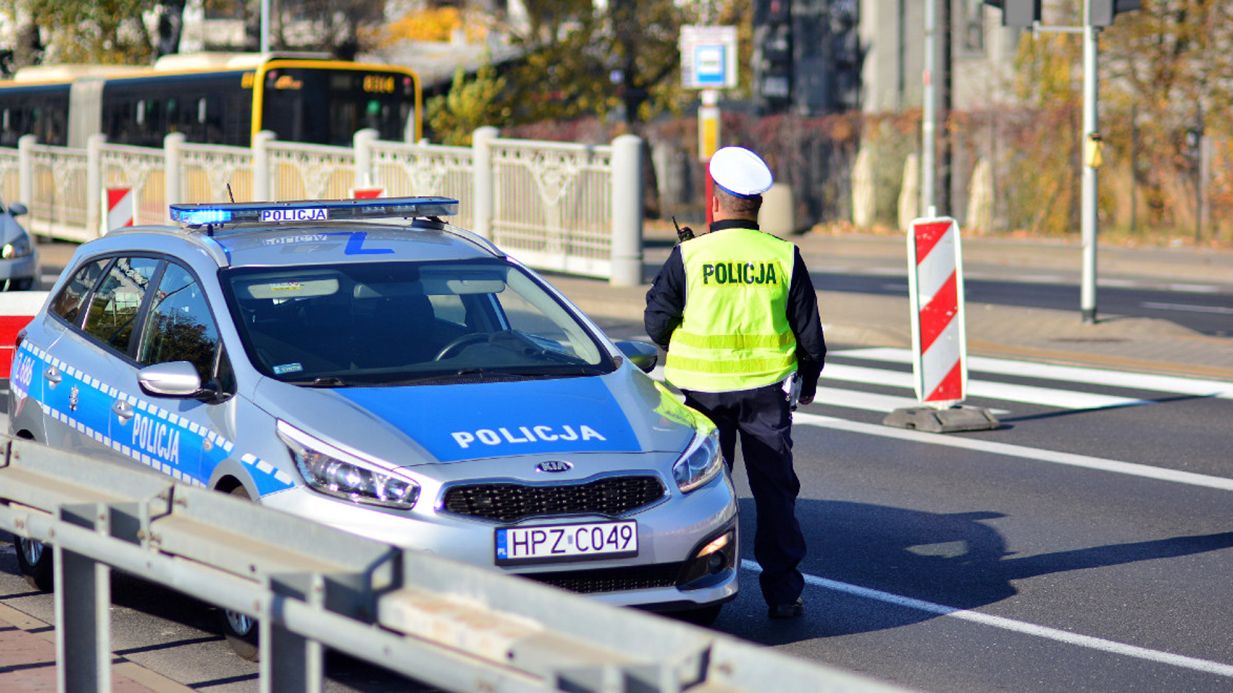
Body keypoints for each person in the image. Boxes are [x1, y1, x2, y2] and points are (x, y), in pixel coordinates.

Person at [644, 146, 826, 620]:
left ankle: (705, 595)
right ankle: (784, 594)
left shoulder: (689, 254)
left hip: (700, 397)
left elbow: (656, 322)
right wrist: (808, 382)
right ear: (758, 205)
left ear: (715, 203)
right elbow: (810, 335)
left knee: (706, 496)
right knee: (775, 494)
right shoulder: (784, 256)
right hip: (767, 396)